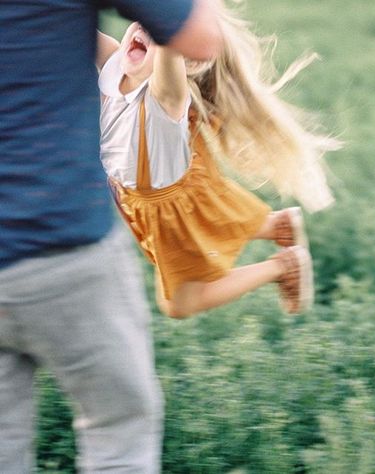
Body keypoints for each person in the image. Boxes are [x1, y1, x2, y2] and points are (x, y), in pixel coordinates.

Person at [0, 1, 222, 473]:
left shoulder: (139, 93)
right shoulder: (140, 91)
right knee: (119, 430)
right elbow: (200, 36)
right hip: (62, 244)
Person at [97, 2, 338, 319]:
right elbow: (66, 26)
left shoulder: (164, 101)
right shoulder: (114, 65)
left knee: (178, 304)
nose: (144, 28)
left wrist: (174, 24)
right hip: (144, 198)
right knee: (206, 224)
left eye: (157, 28)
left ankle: (284, 265)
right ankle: (276, 225)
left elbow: (171, 42)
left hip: (166, 211)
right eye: (142, 20)